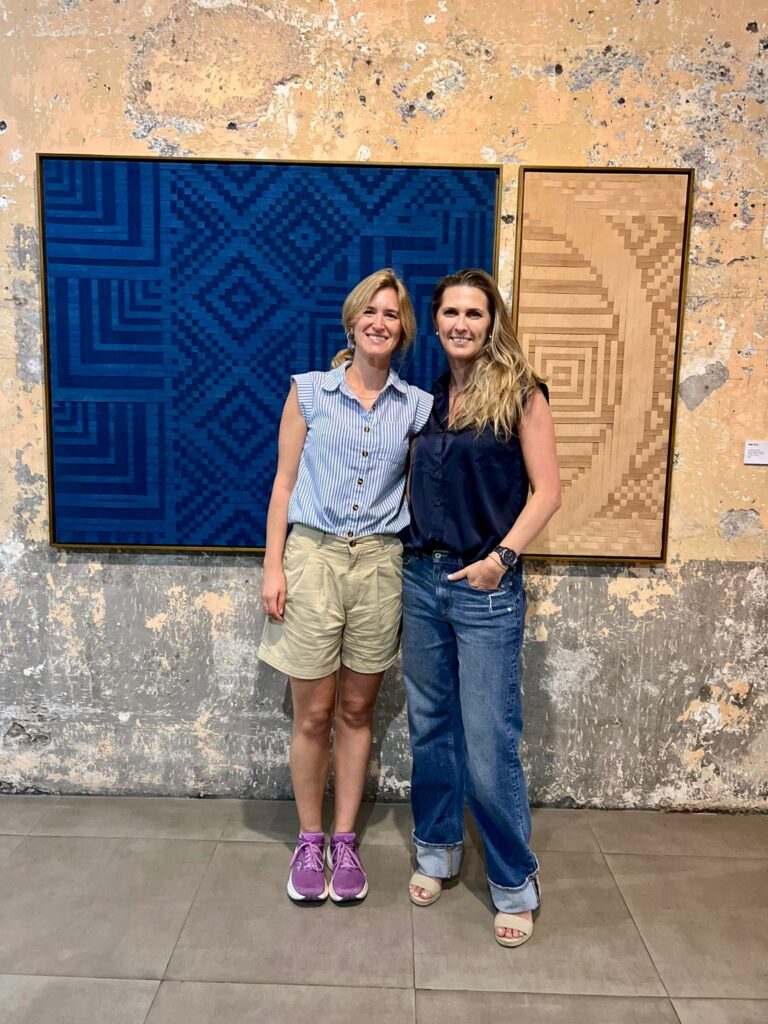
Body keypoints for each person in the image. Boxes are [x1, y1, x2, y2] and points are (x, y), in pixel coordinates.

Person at [258, 268, 433, 905]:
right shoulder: (308, 392)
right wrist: (274, 565)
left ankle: (344, 840)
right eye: (371, 311)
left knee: (358, 711)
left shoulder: (416, 406)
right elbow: (282, 484)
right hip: (313, 558)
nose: (380, 322)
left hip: (381, 565)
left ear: (403, 329)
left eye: (392, 314)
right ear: (353, 320)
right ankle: (309, 841)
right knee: (314, 712)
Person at [400, 268, 561, 946]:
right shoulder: (430, 400)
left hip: (484, 586)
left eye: (476, 312)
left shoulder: (521, 393)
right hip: (420, 579)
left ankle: (513, 883)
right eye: (451, 313)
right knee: (431, 727)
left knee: (490, 743)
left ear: (492, 322)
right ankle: (437, 849)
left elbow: (547, 491)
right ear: (434, 323)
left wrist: (502, 560)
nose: (463, 323)